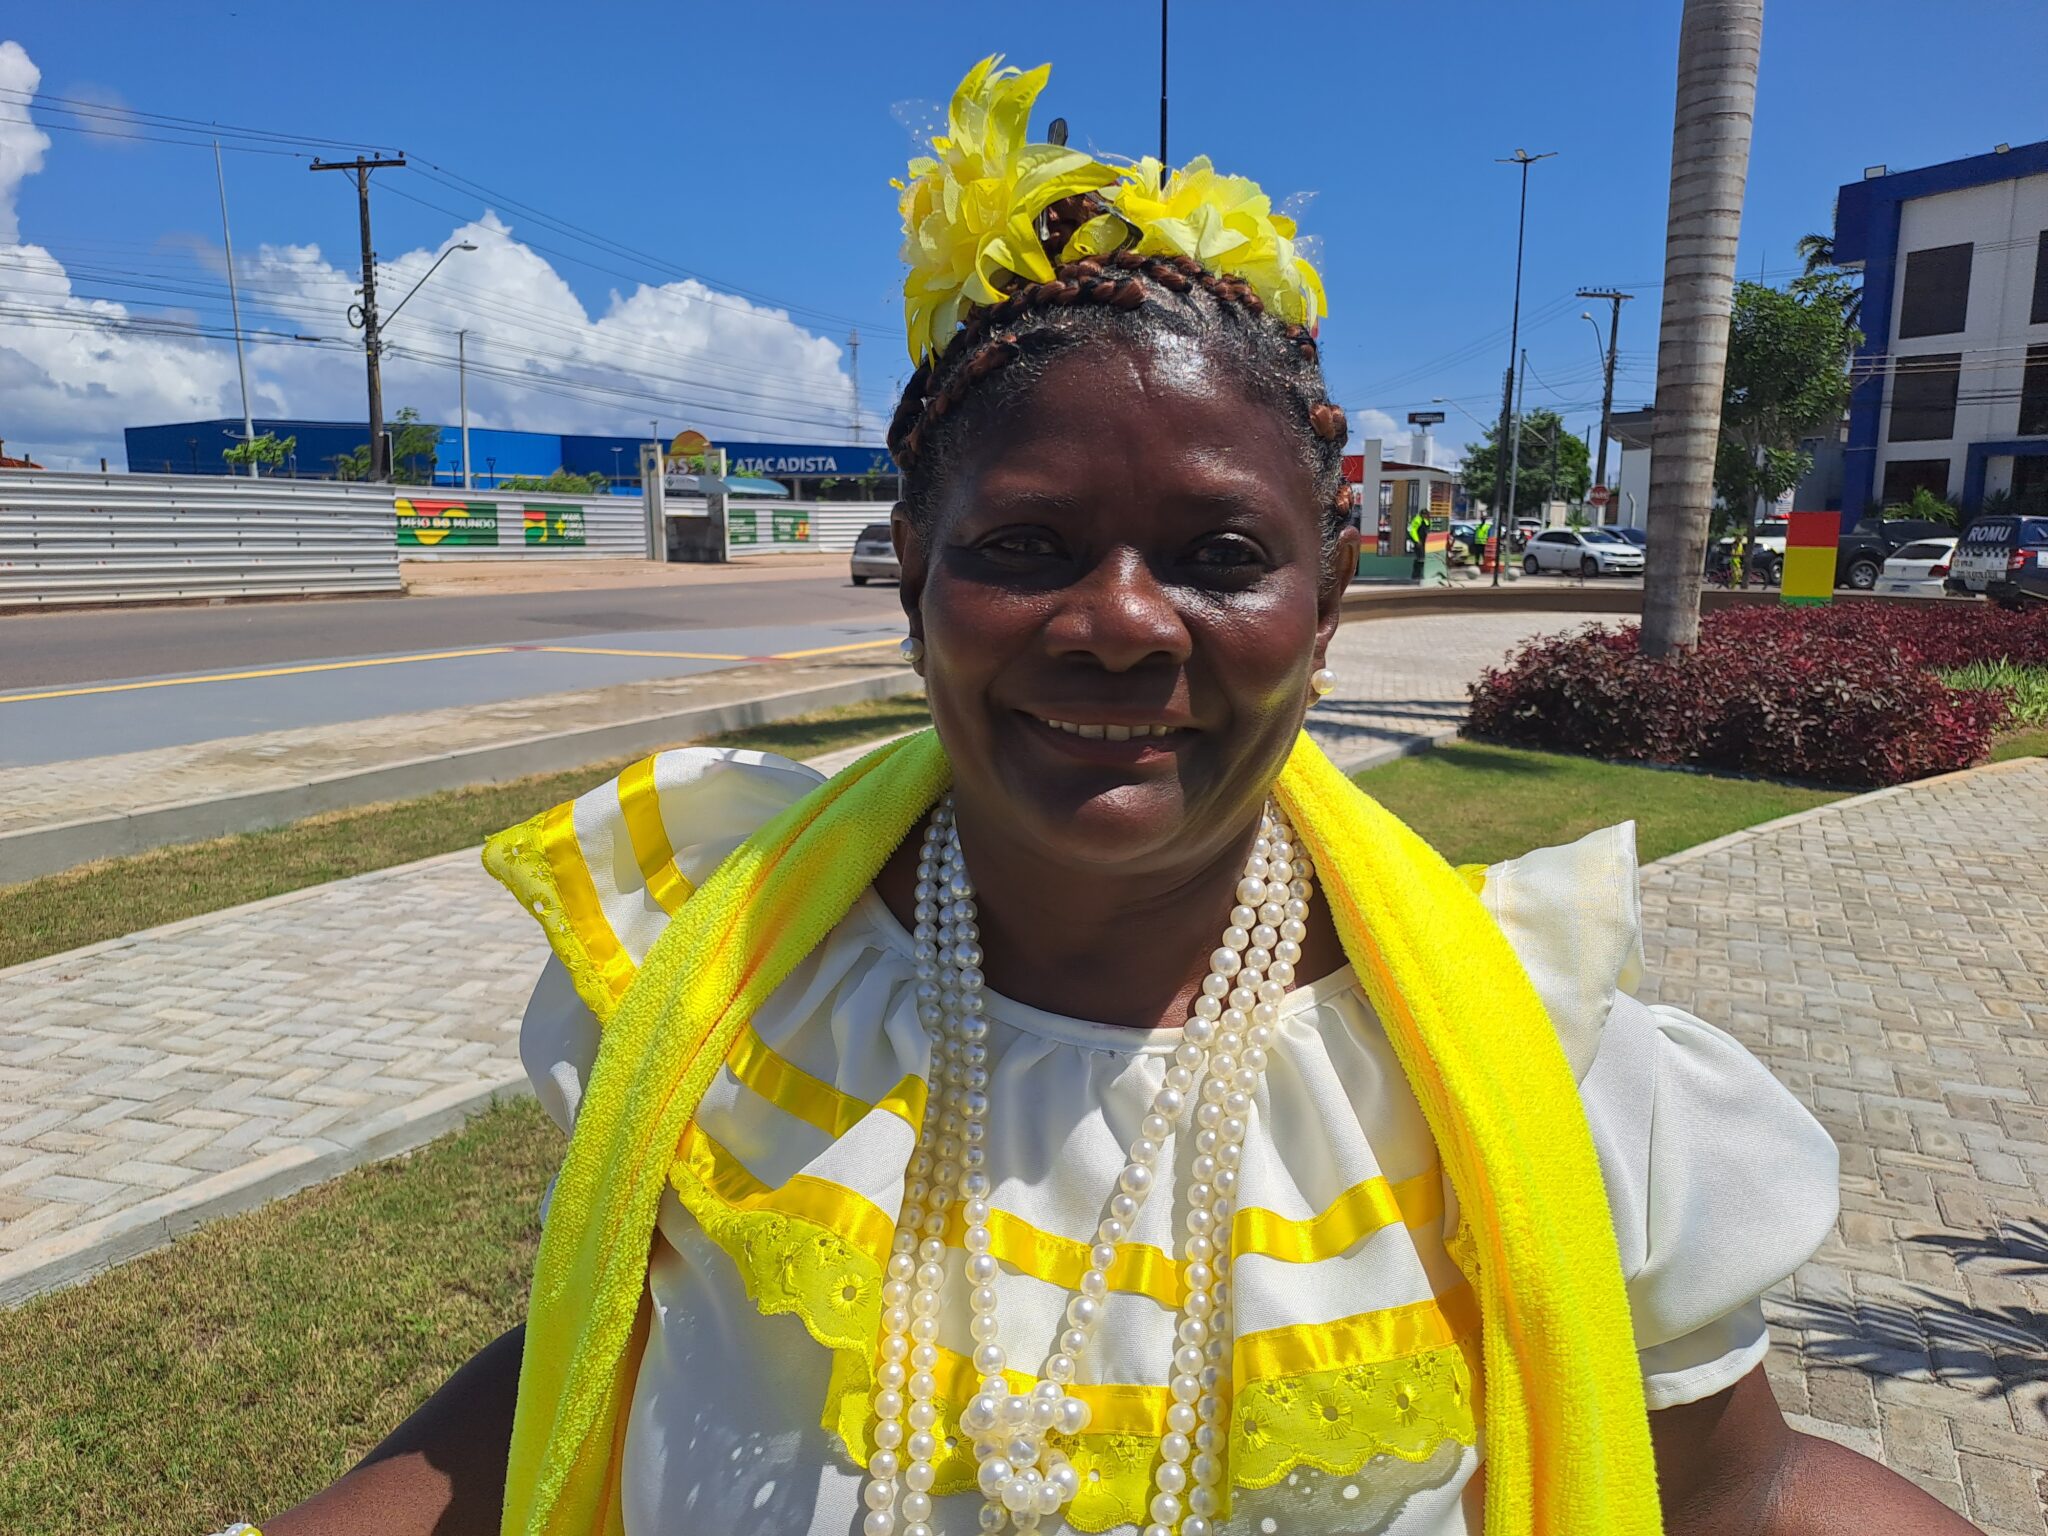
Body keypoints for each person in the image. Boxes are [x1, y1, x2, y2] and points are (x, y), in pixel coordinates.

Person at [246, 56, 1977, 1536]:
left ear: (1330, 597)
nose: (1122, 625)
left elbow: (1733, 1492)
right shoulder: (723, 983)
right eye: (1027, 547)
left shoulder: (1545, 1077)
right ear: (912, 567)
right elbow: (581, 1359)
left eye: (1220, 554)